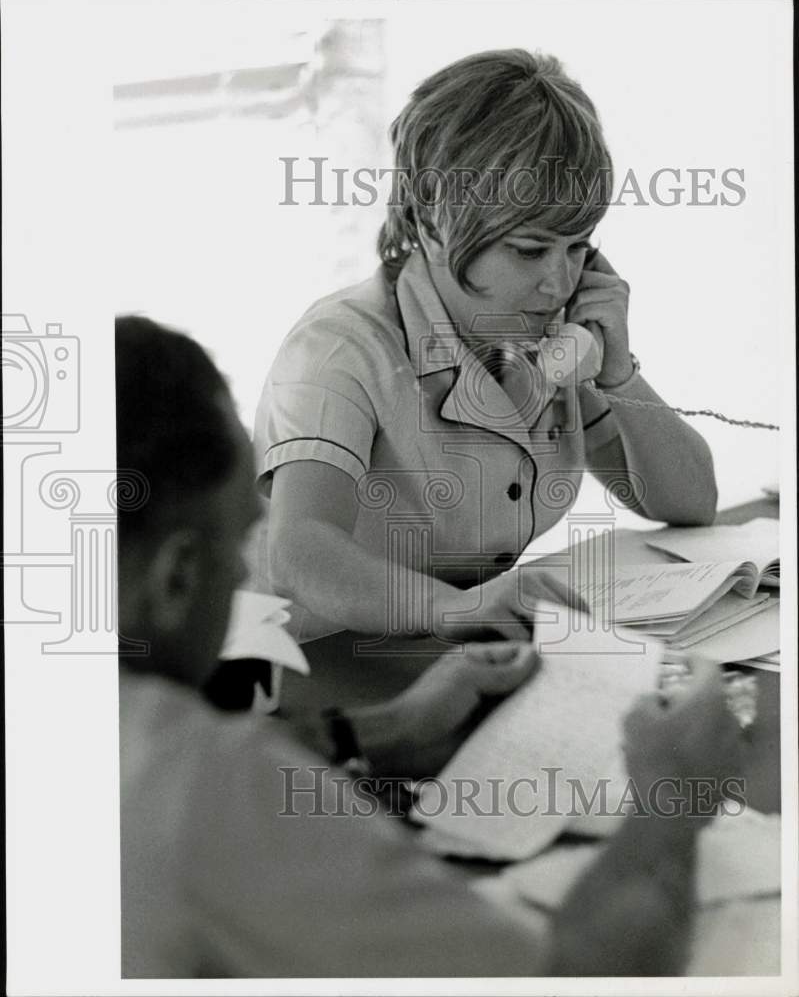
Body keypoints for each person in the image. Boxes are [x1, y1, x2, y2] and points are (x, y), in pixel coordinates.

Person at [118, 315, 740, 978]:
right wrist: (671, 805)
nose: (247, 575)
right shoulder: (204, 788)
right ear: (177, 574)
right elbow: (572, 982)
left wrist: (382, 730)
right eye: (240, 542)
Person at [254, 49, 718, 645]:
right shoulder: (341, 347)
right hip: (306, 664)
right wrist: (454, 610)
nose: (559, 283)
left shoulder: (544, 334)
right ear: (432, 221)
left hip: (443, 656)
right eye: (529, 250)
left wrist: (618, 371)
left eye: (578, 248)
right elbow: (299, 553)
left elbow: (691, 504)